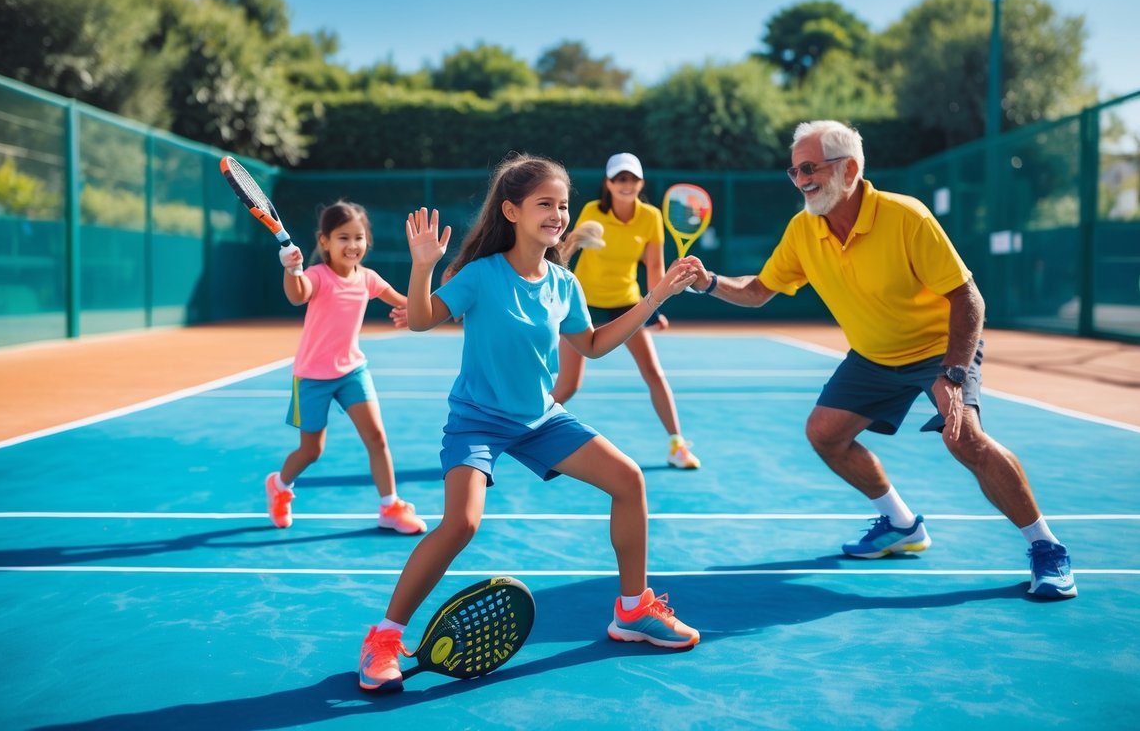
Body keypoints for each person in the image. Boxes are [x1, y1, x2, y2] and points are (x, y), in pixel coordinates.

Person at [683, 120, 1076, 600]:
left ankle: (1047, 548)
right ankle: (901, 524)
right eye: (794, 170)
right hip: (874, 355)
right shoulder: (803, 230)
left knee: (965, 440)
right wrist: (707, 281)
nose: (801, 179)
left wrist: (953, 374)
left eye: (810, 168)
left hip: (937, 348)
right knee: (824, 433)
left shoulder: (906, 217)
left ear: (848, 169)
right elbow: (761, 290)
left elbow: (968, 299)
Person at [357, 154, 703, 692]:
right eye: (545, 204)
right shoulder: (481, 275)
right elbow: (422, 320)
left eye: (562, 205)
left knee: (628, 479)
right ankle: (384, 637)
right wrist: (423, 264)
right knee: (461, 524)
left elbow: (590, 345)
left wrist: (655, 296)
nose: (558, 214)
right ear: (511, 210)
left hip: (540, 418)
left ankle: (632, 610)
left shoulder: (564, 283)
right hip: (478, 419)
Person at [266, 201, 427, 536]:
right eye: (343, 238)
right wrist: (291, 270)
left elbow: (408, 303)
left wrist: (438, 307)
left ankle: (390, 506)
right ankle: (280, 485)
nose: (353, 245)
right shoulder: (317, 277)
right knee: (312, 450)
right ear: (324, 241)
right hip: (312, 376)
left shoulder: (368, 279)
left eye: (359, 237)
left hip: (352, 371)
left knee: (377, 438)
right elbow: (298, 295)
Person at [551, 152, 700, 469]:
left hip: (627, 304)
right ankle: (517, 428)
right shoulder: (592, 211)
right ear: (608, 183)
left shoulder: (651, 217)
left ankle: (677, 445)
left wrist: (656, 304)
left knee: (654, 373)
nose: (626, 184)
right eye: (620, 179)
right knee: (569, 385)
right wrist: (571, 243)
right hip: (584, 304)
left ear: (640, 183)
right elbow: (565, 254)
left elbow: (655, 268)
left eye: (631, 179)